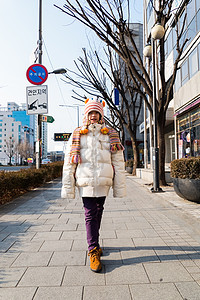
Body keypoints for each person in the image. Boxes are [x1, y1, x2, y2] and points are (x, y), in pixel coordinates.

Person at [61, 97, 126, 272]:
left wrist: (119, 185)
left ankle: (95, 243)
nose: (93, 116)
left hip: (104, 181)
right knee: (90, 214)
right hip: (85, 180)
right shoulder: (77, 134)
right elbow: (69, 162)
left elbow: (118, 161)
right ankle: (93, 250)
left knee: (98, 212)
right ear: (86, 115)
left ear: (101, 114)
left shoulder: (110, 133)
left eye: (96, 112)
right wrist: (68, 185)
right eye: (91, 113)